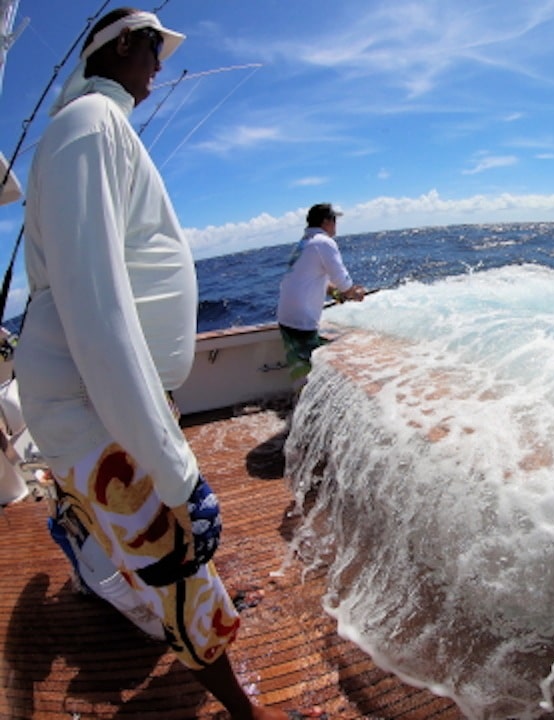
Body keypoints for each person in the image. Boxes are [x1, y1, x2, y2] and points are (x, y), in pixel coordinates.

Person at [14, 8, 288, 719]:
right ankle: (248, 714)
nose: (162, 66)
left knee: (139, 535)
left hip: (97, 394)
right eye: (156, 49)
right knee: (177, 562)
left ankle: (100, 569)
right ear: (125, 45)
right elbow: (95, 306)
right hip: (90, 395)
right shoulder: (88, 127)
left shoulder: (93, 127)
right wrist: (174, 472)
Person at [276, 203, 365, 382]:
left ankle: (300, 400)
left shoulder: (305, 243)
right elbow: (344, 284)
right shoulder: (324, 242)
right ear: (326, 222)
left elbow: (316, 280)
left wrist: (337, 294)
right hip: (301, 322)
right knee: (315, 378)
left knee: (302, 373)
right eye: (334, 220)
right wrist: (354, 293)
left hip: (286, 318)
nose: (335, 225)